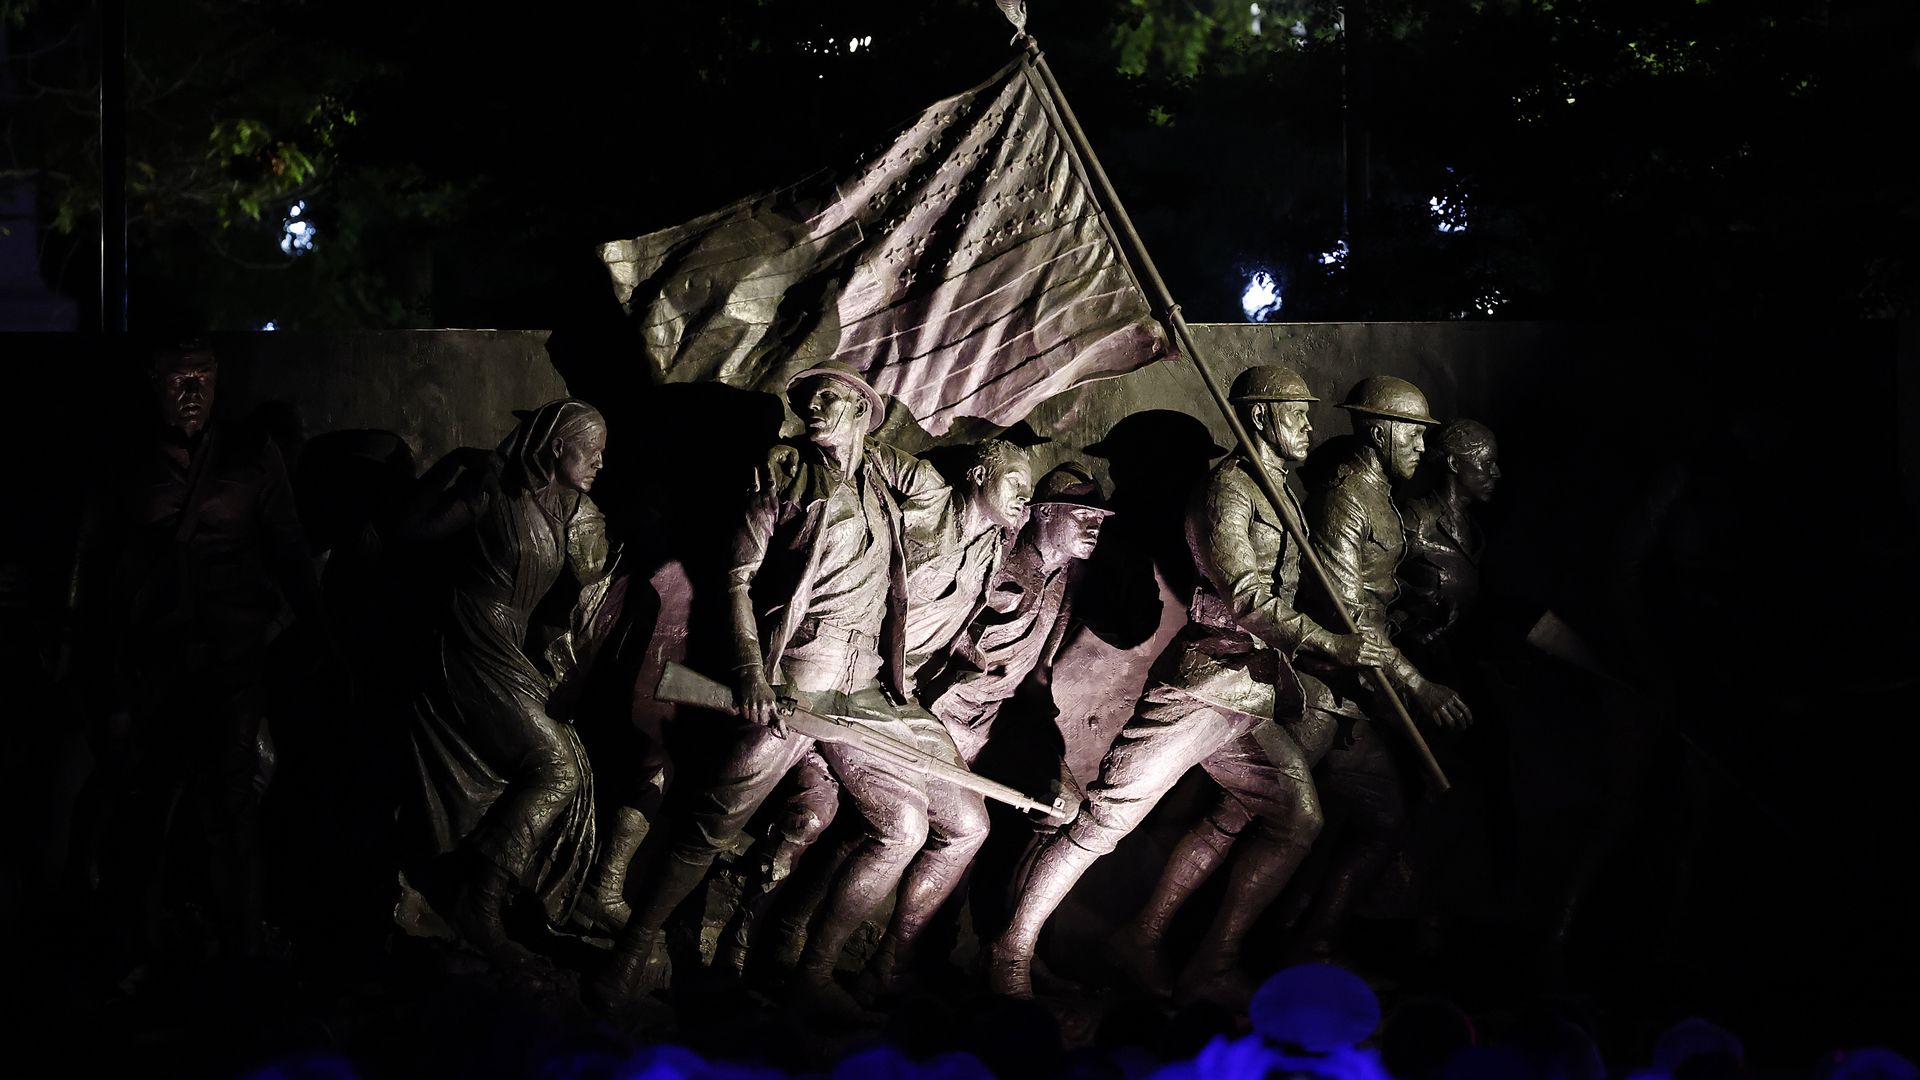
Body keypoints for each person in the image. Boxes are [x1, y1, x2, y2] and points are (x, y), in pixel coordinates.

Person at [988, 367, 1392, 1006]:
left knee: (1296, 819)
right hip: (1205, 686)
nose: (1310, 426)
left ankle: (1188, 955)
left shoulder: (1275, 488)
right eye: (1297, 414)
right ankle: (1009, 953)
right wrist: (1330, 643)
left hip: (1250, 689)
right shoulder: (1228, 489)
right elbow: (1248, 596)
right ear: (1260, 418)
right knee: (1104, 822)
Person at [592, 361, 971, 1017]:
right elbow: (735, 577)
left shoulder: (883, 482)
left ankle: (812, 973)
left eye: (830, 397)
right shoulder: (783, 467)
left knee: (904, 825)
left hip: (867, 686)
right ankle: (629, 954)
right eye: (806, 398)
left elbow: (933, 499)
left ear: (861, 411)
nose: (813, 406)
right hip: (805, 669)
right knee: (715, 821)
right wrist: (749, 671)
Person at [69, 339, 326, 963]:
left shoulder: (250, 454)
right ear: (152, 382)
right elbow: (91, 561)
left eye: (203, 379)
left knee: (230, 806)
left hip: (230, 656)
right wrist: (83, 653)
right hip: (149, 657)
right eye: (179, 379)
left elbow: (290, 549)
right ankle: (139, 948)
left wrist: (310, 631)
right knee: (144, 803)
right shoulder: (123, 459)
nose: (191, 393)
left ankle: (239, 949)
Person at [395, 398, 612, 963]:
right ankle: (478, 904)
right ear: (557, 444)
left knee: (572, 761)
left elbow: (589, 584)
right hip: (468, 640)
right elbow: (409, 534)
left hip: (508, 647)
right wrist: (455, 477)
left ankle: (490, 888)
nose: (598, 463)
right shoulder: (494, 487)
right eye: (591, 451)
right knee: (556, 767)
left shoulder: (565, 510)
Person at [1289, 376, 1471, 960]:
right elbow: (1345, 612)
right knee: (1282, 827)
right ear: (1377, 430)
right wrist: (1418, 685)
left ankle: (1310, 945)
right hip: (1324, 688)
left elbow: (1376, 595)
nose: (1421, 445)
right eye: (1412, 433)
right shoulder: (1344, 498)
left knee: (1373, 818)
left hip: (1359, 691)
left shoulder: (1380, 495)